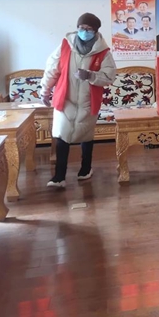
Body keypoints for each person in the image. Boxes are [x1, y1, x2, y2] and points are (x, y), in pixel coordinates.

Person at [40, 13, 117, 187]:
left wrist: (90, 75)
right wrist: (45, 91)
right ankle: (59, 176)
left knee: (86, 136)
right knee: (62, 136)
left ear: (96, 31)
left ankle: (85, 169)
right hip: (65, 99)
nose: (85, 32)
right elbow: (52, 69)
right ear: (77, 28)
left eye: (89, 29)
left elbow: (109, 76)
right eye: (82, 28)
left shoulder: (103, 52)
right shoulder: (65, 45)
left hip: (88, 101)